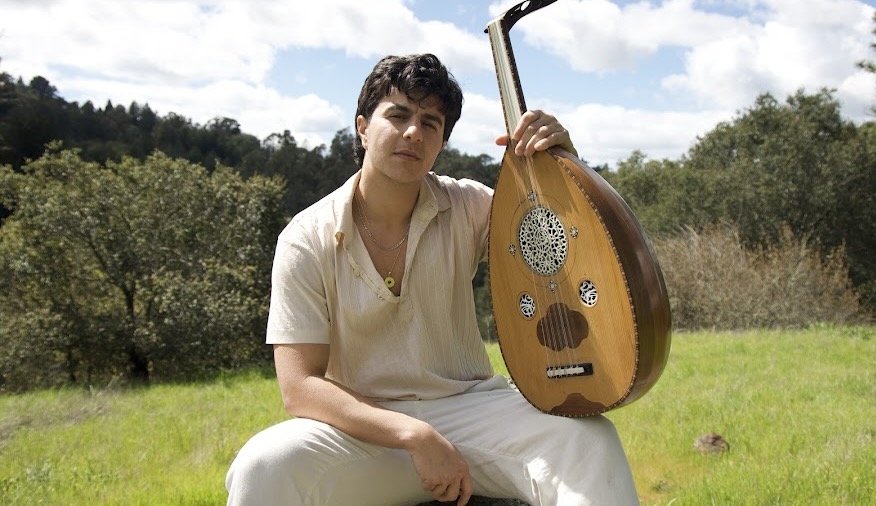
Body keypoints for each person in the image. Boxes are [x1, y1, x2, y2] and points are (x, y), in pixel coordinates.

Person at [225, 53, 639, 506]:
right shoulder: (306, 238)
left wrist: (560, 158)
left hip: (472, 409)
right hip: (364, 426)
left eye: (430, 122)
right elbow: (300, 386)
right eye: (398, 115)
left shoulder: (470, 205)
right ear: (363, 128)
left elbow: (561, 243)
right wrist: (412, 433)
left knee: (589, 443)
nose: (412, 133)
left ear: (441, 142)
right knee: (263, 465)